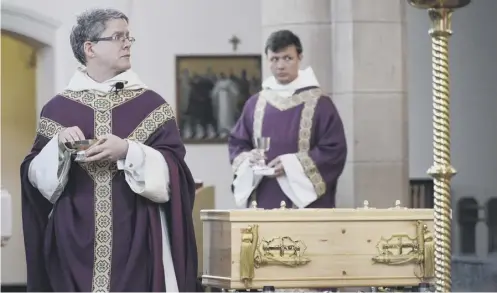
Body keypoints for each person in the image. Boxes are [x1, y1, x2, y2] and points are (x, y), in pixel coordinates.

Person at [20, 8, 200, 292]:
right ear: (89, 48)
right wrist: (58, 146)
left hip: (137, 238)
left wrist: (129, 151)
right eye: (118, 37)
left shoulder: (152, 105)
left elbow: (176, 172)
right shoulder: (57, 109)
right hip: (72, 240)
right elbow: (33, 176)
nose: (127, 43)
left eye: (129, 37)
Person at [228, 29, 347, 209]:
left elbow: (334, 151)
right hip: (264, 198)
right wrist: (248, 159)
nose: (281, 66)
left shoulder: (320, 104)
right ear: (267, 60)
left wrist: (292, 165)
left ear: (300, 57)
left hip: (306, 207)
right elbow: (237, 144)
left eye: (287, 58)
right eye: (274, 59)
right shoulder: (255, 104)